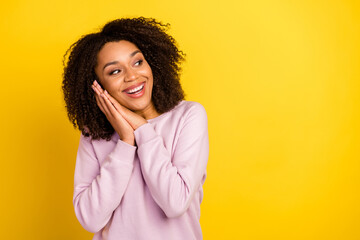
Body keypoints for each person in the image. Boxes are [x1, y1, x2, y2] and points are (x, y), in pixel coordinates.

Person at [62, 17, 209, 240]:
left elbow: (175, 203)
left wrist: (142, 129)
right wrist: (124, 142)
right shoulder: (93, 135)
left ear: (153, 64)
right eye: (114, 72)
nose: (132, 76)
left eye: (138, 62)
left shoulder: (188, 116)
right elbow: (90, 219)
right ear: (98, 86)